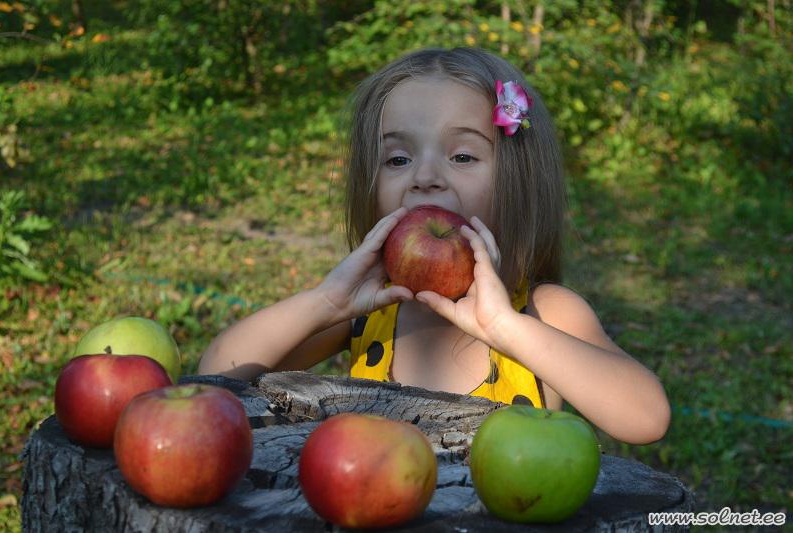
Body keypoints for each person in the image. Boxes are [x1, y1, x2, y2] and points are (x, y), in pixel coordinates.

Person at [198, 47, 670, 445]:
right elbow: (219, 372)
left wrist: (505, 327)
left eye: (462, 155)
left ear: (518, 180)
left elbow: (646, 418)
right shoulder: (370, 314)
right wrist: (326, 302)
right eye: (398, 158)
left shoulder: (541, 314)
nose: (424, 177)